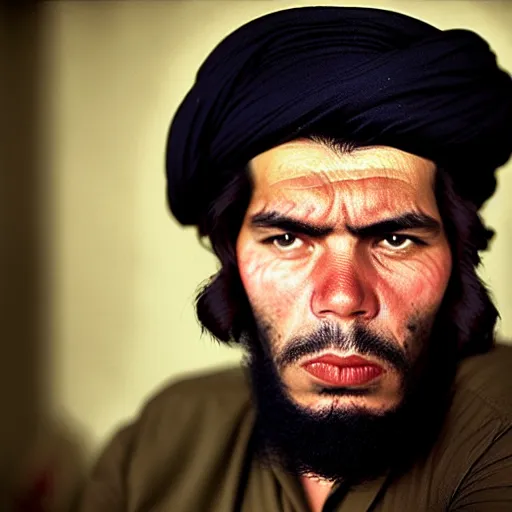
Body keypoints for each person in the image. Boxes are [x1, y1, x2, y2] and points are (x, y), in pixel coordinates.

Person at [77, 6, 512, 512]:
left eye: (395, 240)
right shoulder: (162, 438)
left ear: (457, 256)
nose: (343, 299)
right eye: (287, 238)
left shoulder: (499, 428)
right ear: (230, 253)